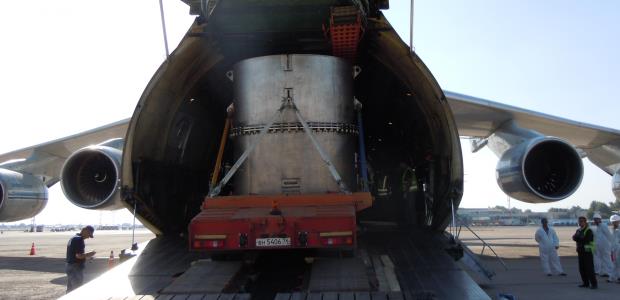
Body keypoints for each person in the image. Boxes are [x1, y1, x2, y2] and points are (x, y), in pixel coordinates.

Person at [65, 225, 96, 293]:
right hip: (75, 267)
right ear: (84, 230)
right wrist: (90, 254)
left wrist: (86, 256)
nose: (88, 237)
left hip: (69, 265)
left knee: (70, 289)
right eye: (89, 234)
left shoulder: (73, 238)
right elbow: (79, 256)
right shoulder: (79, 240)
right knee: (77, 290)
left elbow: (74, 254)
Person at [573, 216, 597, 289]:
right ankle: (585, 283)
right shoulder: (578, 230)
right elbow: (574, 237)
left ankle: (594, 284)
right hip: (580, 251)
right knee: (582, 268)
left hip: (587, 251)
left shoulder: (588, 230)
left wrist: (579, 238)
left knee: (589, 269)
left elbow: (586, 240)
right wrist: (580, 238)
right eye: (579, 221)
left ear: (585, 222)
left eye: (582, 221)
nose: (580, 222)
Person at [592, 213, 613, 277]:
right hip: (600, 247)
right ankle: (604, 272)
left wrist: (611, 245)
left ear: (600, 219)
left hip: (605, 247)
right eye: (594, 220)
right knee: (601, 259)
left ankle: (610, 273)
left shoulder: (603, 226)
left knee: (607, 259)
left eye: (596, 219)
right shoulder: (598, 227)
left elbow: (609, 235)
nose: (595, 221)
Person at [610, 214, 620, 283]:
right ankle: (612, 277)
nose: (614, 223)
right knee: (615, 263)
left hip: (618, 249)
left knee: (618, 263)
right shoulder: (612, 230)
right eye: (613, 222)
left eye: (615, 221)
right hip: (614, 249)